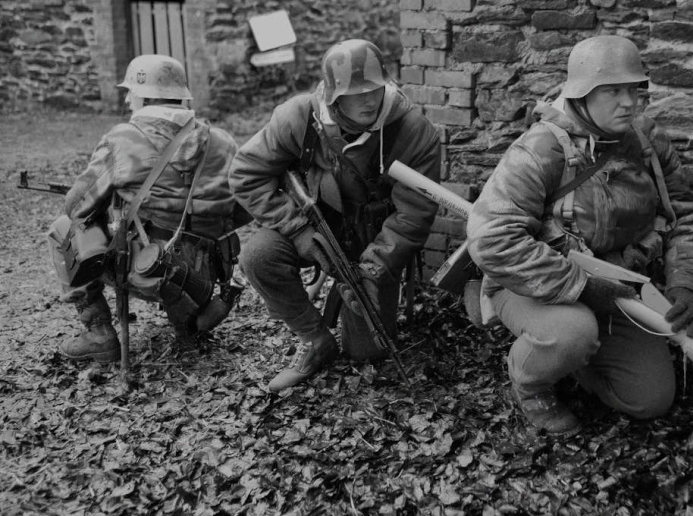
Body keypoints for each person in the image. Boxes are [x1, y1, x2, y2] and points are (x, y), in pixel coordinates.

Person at [466, 35, 693, 437]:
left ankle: (579, 358)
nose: (628, 102)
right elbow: (492, 240)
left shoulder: (647, 141)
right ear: (581, 93)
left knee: (649, 400)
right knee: (572, 333)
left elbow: (685, 216)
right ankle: (531, 383)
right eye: (613, 91)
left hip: (619, 287)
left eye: (634, 89)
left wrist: (687, 286)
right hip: (532, 283)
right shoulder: (541, 149)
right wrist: (580, 287)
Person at [230, 39, 440, 391]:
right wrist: (297, 230)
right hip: (314, 228)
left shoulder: (414, 131)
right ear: (332, 95)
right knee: (259, 255)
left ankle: (352, 306)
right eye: (356, 92)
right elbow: (246, 174)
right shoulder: (298, 118)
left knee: (368, 351)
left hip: (376, 240)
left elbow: (414, 214)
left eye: (374, 88)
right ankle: (316, 340)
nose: (369, 99)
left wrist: (372, 270)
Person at [48, 54, 251, 362]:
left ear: (144, 95)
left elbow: (76, 207)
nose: (128, 99)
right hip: (209, 272)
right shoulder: (222, 141)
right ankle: (188, 317)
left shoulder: (123, 138)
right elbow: (242, 209)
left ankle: (99, 333)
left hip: (147, 269)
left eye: (130, 91)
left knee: (63, 230)